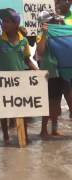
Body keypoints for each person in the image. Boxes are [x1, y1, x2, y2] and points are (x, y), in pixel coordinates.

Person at [0, 8, 38, 144]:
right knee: (4, 111)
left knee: (22, 109)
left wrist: (38, 73)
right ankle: (5, 136)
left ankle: (24, 135)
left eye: (7, 21)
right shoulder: (0, 41)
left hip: (20, 82)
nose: (4, 23)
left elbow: (27, 60)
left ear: (16, 24)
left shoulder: (24, 42)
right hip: (4, 82)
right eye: (2, 21)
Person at [55, 0, 72, 121]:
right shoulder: (51, 16)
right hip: (56, 56)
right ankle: (57, 110)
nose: (65, 2)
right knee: (59, 84)